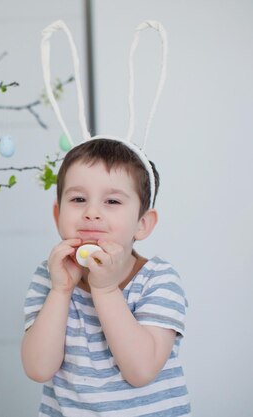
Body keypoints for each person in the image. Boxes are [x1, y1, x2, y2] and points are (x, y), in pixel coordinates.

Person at [21, 138, 190, 416]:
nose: (91, 213)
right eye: (78, 199)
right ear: (57, 214)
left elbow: (141, 370)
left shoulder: (158, 279)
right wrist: (60, 292)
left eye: (112, 201)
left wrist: (107, 289)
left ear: (142, 223)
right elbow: (39, 369)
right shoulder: (51, 276)